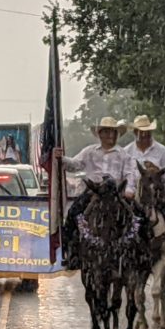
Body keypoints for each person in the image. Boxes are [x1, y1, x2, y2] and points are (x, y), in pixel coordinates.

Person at [53, 116, 137, 270]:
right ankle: (72, 254)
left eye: (113, 133)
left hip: (116, 193)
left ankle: (136, 255)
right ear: (100, 134)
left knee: (137, 216)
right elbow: (75, 165)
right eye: (106, 132)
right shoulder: (89, 151)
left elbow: (130, 174)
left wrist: (130, 190)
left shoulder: (124, 155)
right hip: (94, 191)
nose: (110, 136)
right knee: (73, 213)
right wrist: (61, 159)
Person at [123, 114, 165, 274]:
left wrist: (158, 173)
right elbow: (123, 173)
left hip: (157, 194)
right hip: (134, 193)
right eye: (140, 132)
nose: (144, 135)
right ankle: (118, 254)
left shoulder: (161, 150)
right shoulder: (126, 151)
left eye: (147, 132)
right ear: (135, 133)